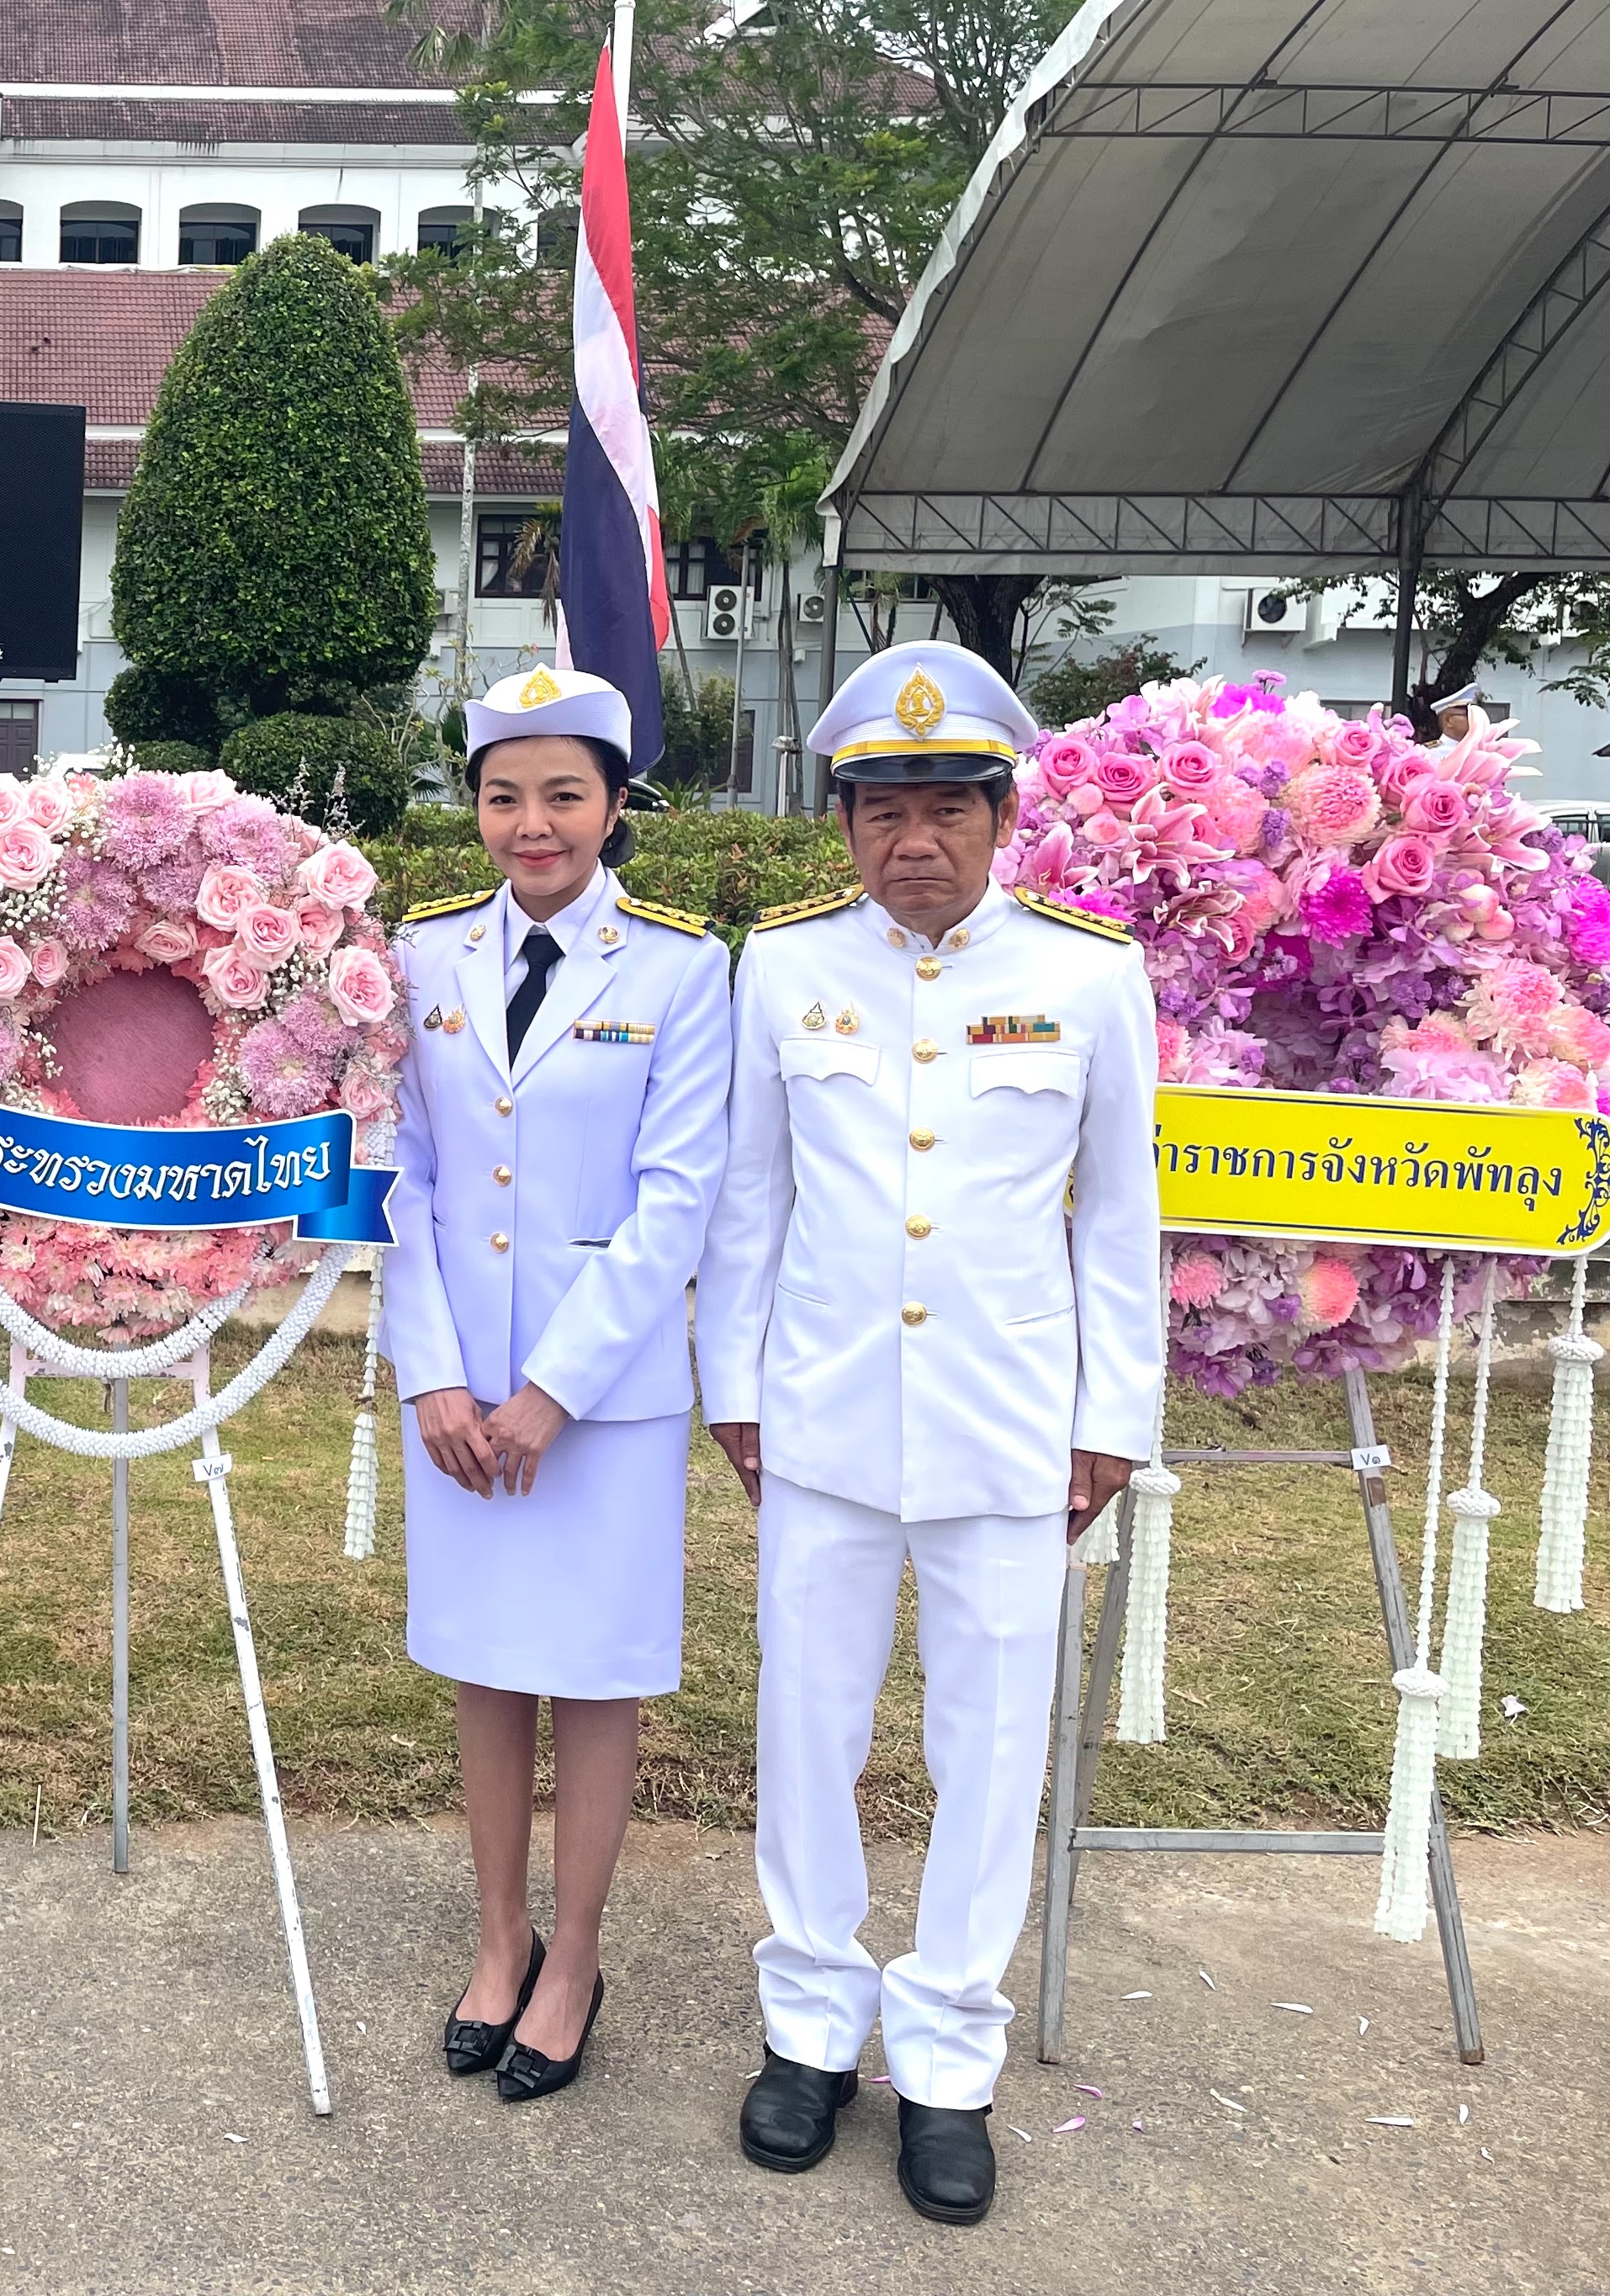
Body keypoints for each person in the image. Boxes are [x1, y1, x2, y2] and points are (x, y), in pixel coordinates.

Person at [695, 641, 1156, 2229]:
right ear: (841, 822)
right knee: (804, 1729)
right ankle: (810, 2024)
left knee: (985, 1744)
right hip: (819, 1410)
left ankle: (948, 2055)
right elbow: (750, 1195)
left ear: (1000, 810)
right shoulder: (785, 965)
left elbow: (1119, 1221)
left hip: (1011, 1424)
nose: (912, 839)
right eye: (881, 808)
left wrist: (1113, 1418)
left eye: (945, 806)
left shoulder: (1089, 974)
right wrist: (733, 1388)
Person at [381, 663, 733, 2103]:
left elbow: (678, 1198)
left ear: (611, 803)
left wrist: (553, 1388)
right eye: (503, 794)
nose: (532, 823)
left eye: (562, 794)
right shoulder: (419, 959)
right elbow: (391, 1174)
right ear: (473, 805)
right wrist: (435, 1376)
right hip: (458, 1390)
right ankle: (495, 1934)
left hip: (602, 1404)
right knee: (484, 1665)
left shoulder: (678, 965)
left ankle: (575, 1953)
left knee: (591, 1676)